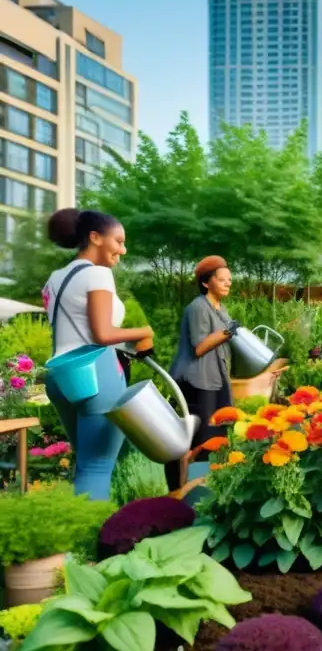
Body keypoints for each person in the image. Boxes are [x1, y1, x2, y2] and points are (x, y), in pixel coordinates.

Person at [42, 208, 154, 500]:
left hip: (61, 376)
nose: (123, 249)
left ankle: (78, 536)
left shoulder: (54, 278)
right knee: (98, 467)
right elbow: (102, 334)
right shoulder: (98, 273)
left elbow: (72, 328)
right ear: (95, 237)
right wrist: (144, 332)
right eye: (118, 241)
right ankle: (92, 542)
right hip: (96, 374)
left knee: (87, 463)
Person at [168, 256, 238, 489]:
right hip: (198, 381)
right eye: (222, 280)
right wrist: (228, 333)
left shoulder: (221, 308)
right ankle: (189, 491)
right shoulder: (197, 308)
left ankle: (208, 487)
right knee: (202, 439)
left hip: (215, 379)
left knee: (218, 435)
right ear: (206, 283)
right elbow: (199, 347)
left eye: (229, 280)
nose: (228, 283)